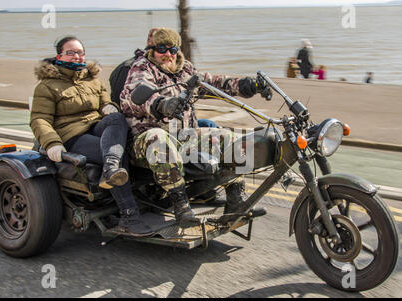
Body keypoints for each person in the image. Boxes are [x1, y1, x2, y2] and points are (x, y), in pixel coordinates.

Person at [120, 27, 268, 224]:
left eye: (172, 50)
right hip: (145, 140)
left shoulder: (185, 69)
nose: (167, 55)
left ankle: (236, 202)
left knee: (229, 138)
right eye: (162, 49)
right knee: (159, 138)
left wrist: (247, 85)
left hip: (183, 136)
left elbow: (214, 82)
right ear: (153, 49)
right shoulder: (142, 67)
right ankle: (181, 205)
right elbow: (134, 94)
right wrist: (162, 104)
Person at [30, 36, 153, 237]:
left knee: (117, 119)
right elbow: (39, 119)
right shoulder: (47, 86)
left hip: (97, 126)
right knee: (118, 153)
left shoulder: (92, 79)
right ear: (59, 55)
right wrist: (52, 143)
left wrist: (108, 107)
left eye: (80, 52)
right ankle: (129, 217)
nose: (77, 56)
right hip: (72, 134)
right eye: (71, 52)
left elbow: (107, 103)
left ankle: (112, 169)